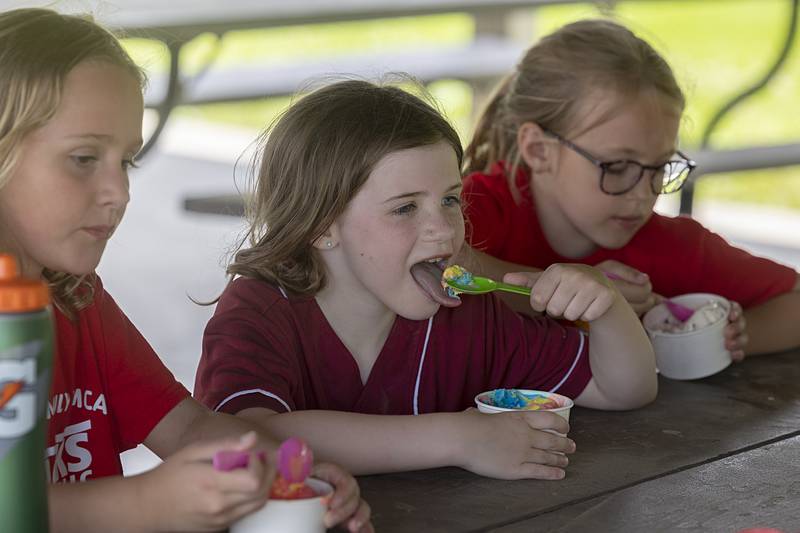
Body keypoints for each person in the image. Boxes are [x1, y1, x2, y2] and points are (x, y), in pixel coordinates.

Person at [0, 8, 370, 533]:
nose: (118, 192)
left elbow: (188, 427)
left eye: (126, 161)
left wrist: (289, 471)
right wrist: (143, 503)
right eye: (84, 158)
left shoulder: (77, 300)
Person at [194, 78, 657, 481]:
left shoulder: (468, 317)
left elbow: (622, 389)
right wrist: (460, 438)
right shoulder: (260, 308)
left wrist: (607, 306)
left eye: (451, 200)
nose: (443, 229)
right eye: (405, 208)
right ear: (322, 225)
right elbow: (250, 434)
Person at [461, 19, 800, 361]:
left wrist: (730, 339)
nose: (643, 194)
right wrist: (576, 290)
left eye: (659, 167)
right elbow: (431, 264)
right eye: (617, 167)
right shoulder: (473, 208)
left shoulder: (668, 246)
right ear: (538, 150)